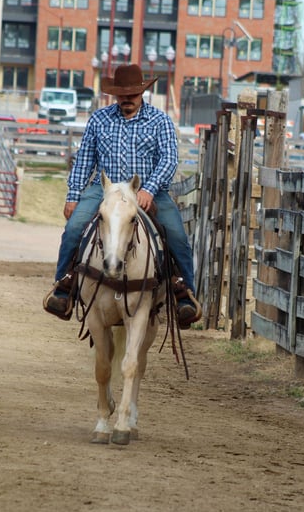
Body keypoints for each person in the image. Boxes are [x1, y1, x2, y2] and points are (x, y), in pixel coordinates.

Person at [43, 64, 201, 329]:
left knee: (175, 234)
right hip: (105, 189)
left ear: (142, 94)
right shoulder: (99, 119)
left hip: (149, 189)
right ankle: (64, 286)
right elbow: (85, 160)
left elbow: (169, 159)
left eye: (132, 95)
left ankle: (183, 292)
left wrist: (149, 189)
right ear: (114, 95)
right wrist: (73, 196)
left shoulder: (160, 120)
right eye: (122, 96)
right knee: (74, 228)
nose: (127, 100)